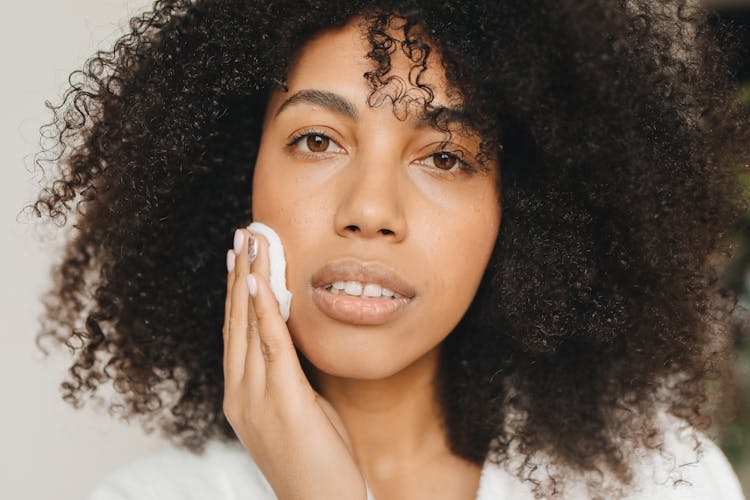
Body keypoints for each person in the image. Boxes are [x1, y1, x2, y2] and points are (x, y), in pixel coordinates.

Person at [25, 0, 750, 498]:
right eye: (317, 140)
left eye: (445, 157)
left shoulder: (662, 479)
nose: (370, 211)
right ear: (231, 176)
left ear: (525, 214)